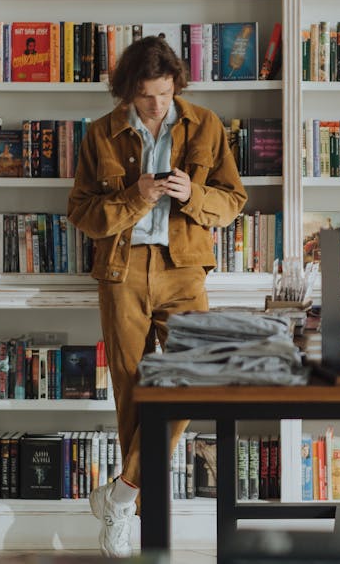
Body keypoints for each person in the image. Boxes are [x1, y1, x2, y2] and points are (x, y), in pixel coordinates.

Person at [67, 36, 247, 557]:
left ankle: (122, 496)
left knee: (195, 374)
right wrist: (134, 197)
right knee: (133, 391)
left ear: (176, 86)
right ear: (128, 91)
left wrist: (194, 195)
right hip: (121, 272)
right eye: (145, 95)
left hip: (183, 268)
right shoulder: (101, 133)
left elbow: (234, 200)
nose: (156, 105)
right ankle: (136, 521)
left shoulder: (206, 124)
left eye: (165, 94)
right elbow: (81, 212)